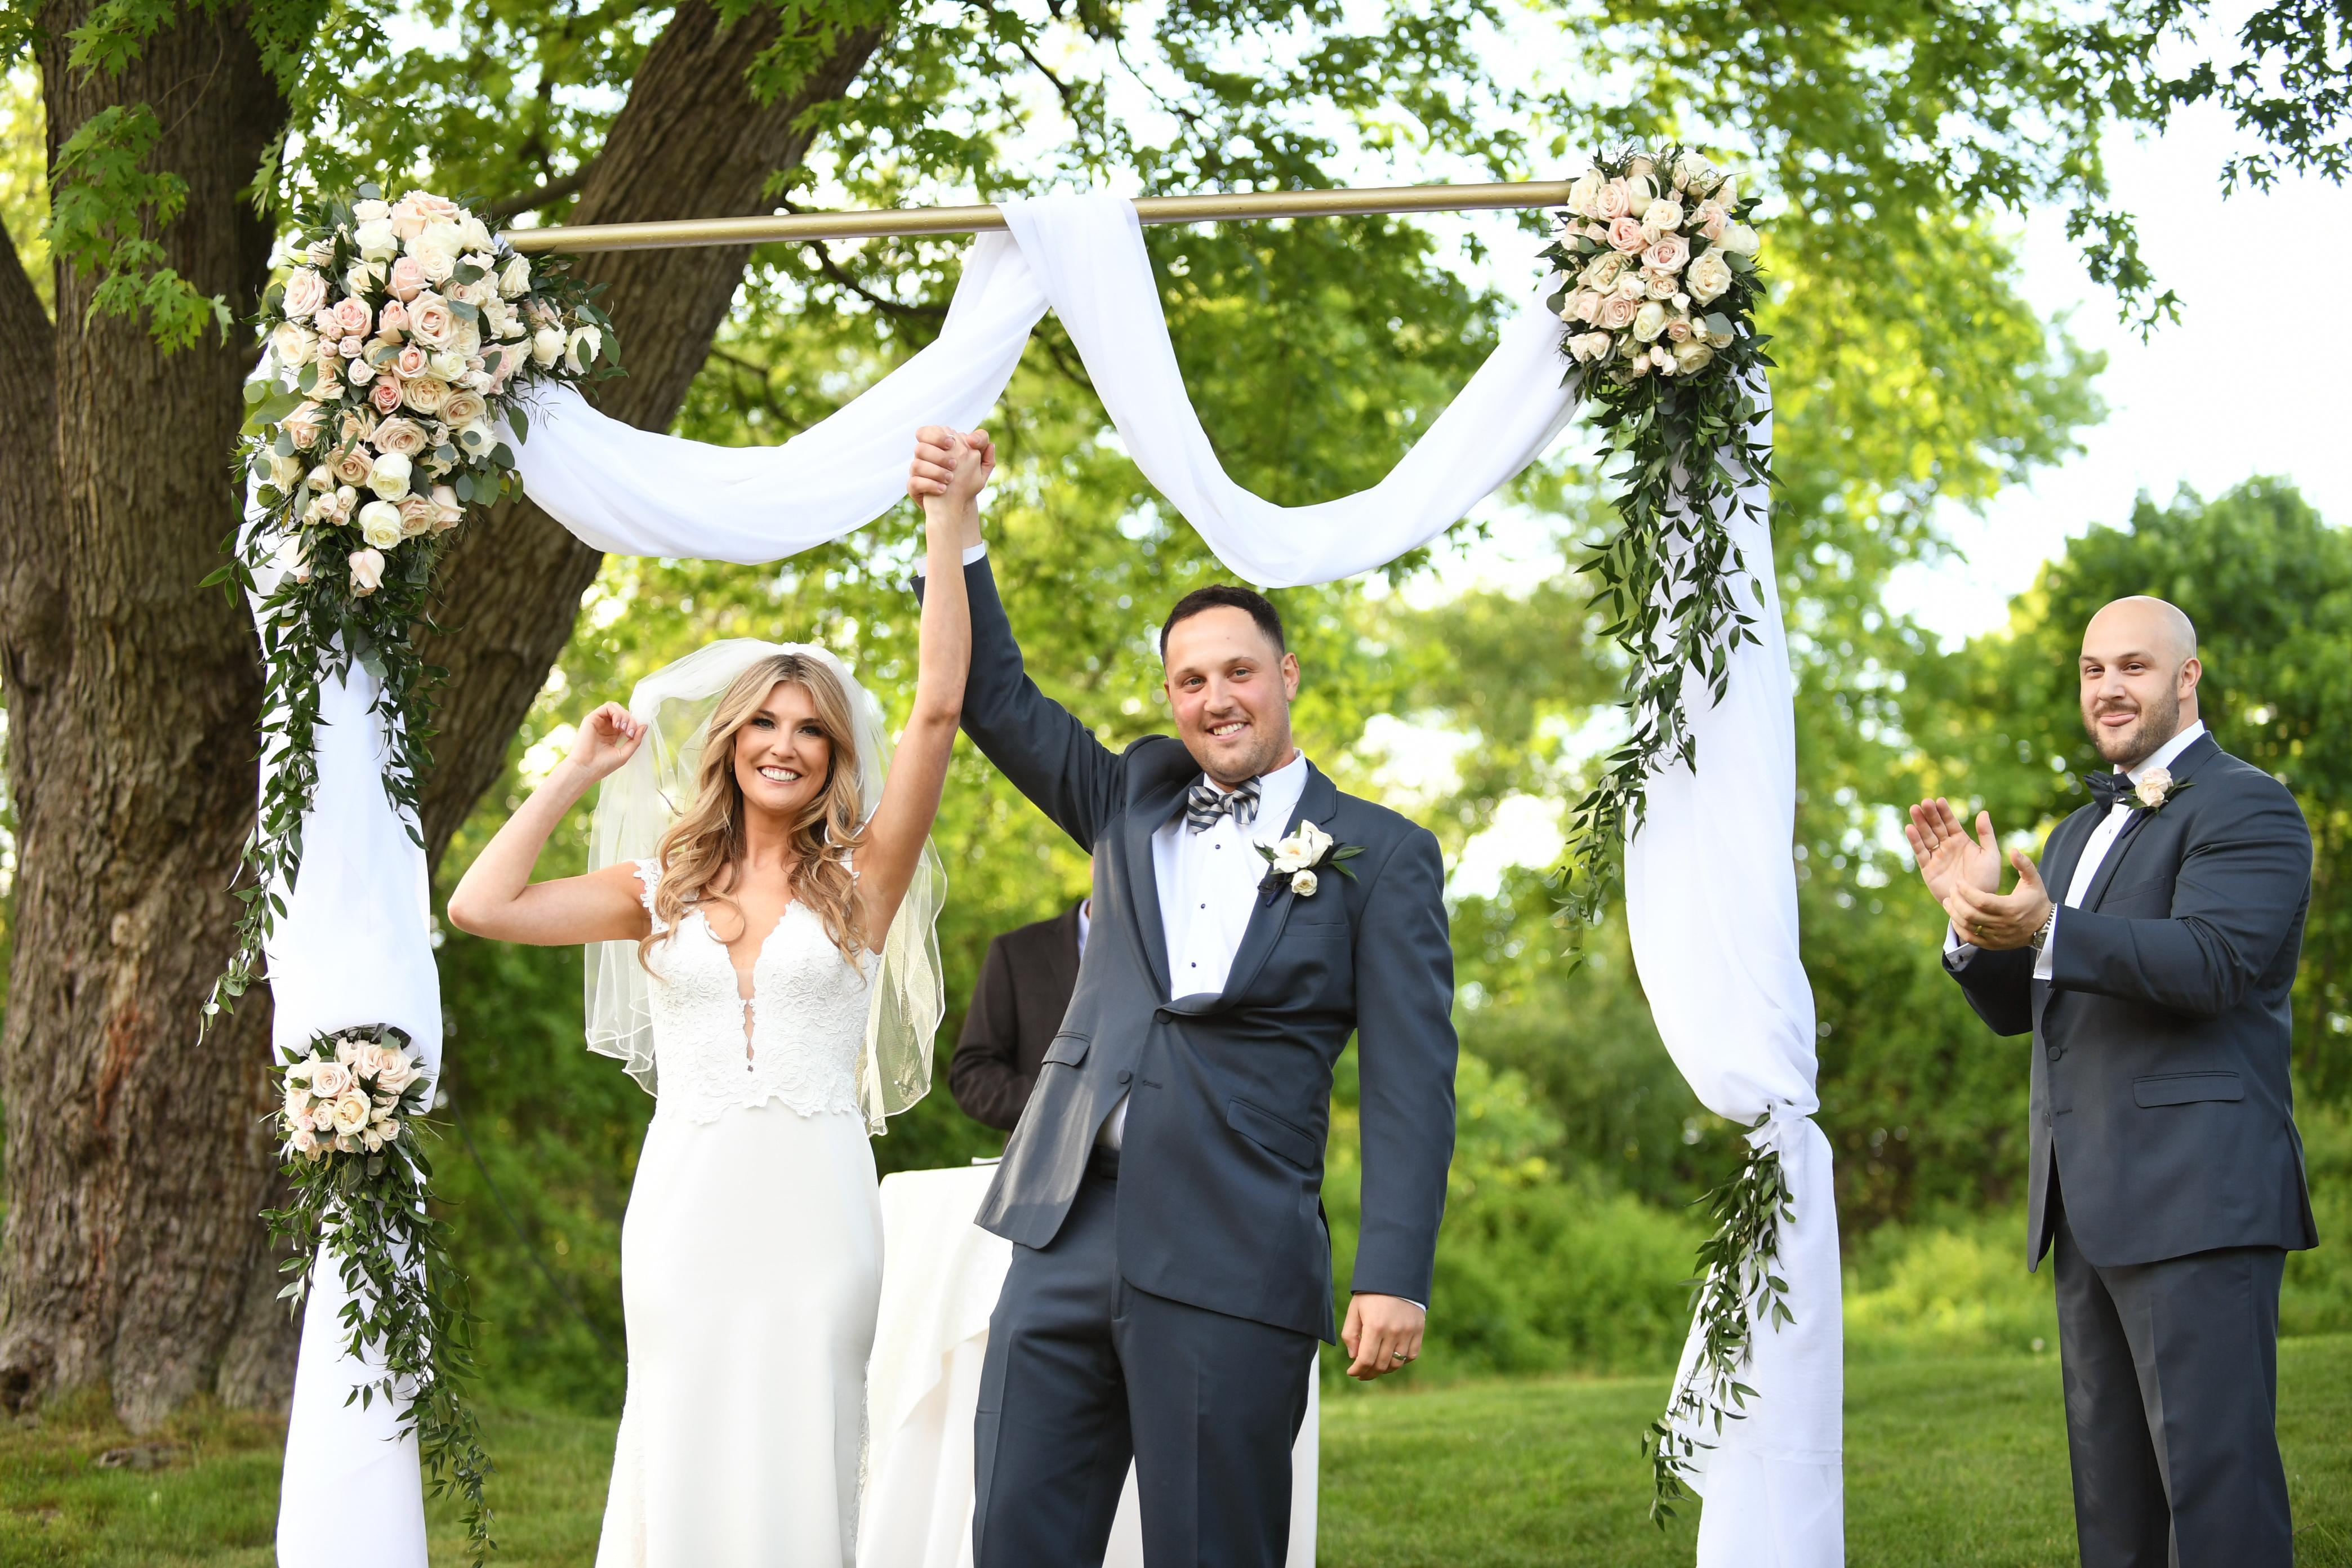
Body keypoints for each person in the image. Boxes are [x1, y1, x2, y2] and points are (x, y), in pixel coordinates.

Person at [907, 425, 1458, 1568]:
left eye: (1238, 671)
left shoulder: (1383, 854)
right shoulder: (1129, 803)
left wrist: (1393, 1272)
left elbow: (1413, 1082)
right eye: (1191, 680)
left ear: (1287, 676)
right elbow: (994, 694)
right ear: (1171, 695)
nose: (1216, 698)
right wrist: (954, 522)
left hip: (1235, 1245)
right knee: (1015, 1539)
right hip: (1066, 1227)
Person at [444, 429, 991, 1567]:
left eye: (811, 729)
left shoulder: (862, 885)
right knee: (684, 1436)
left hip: (820, 1210)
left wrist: (948, 522)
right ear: (731, 741)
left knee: (806, 1436)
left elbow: (939, 709)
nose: (786, 745)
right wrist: (576, 770)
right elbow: (481, 905)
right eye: (766, 723)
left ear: (834, 755)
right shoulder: (656, 890)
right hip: (685, 1209)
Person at [1905, 595, 2318, 1568]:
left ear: (2188, 676)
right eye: (2093, 670)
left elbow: (2214, 963)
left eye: (2134, 665)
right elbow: (2028, 1007)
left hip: (2197, 1197)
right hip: (2086, 1204)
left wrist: (2050, 926)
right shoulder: (2070, 835)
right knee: (2114, 1509)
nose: (2109, 687)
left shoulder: (2249, 805)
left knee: (2216, 1502)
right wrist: (1973, 920)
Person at [950, 897, 1089, 1131]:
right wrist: (1063, 1104)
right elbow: (972, 1074)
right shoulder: (1016, 951)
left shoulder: (1160, 952)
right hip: (1043, 1149)